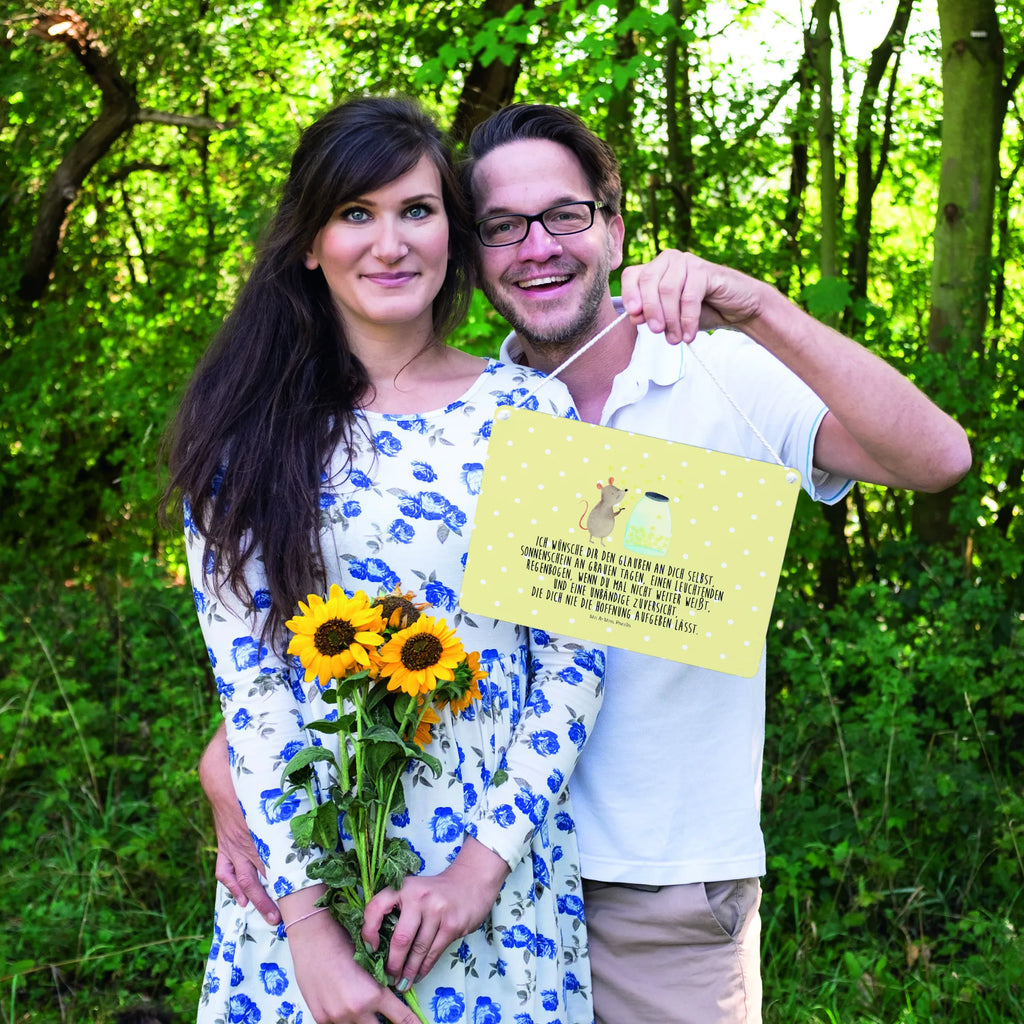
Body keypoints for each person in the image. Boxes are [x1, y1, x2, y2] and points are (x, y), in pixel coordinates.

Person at [202, 102, 972, 1024]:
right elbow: (330, 634)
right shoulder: (461, 414)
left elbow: (938, 461)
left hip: (654, 887)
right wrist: (235, 769)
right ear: (474, 251)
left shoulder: (707, 373)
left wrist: (760, 306)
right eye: (502, 226)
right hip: (432, 876)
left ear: (612, 226)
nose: (537, 247)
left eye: (565, 215)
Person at [164, 97, 609, 1024]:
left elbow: (573, 665)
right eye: (355, 214)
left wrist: (477, 873)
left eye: (416, 210)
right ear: (308, 243)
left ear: (452, 228)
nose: (390, 242)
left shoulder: (534, 413)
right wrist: (312, 937)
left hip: (492, 888)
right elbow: (252, 693)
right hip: (303, 889)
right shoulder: (242, 438)